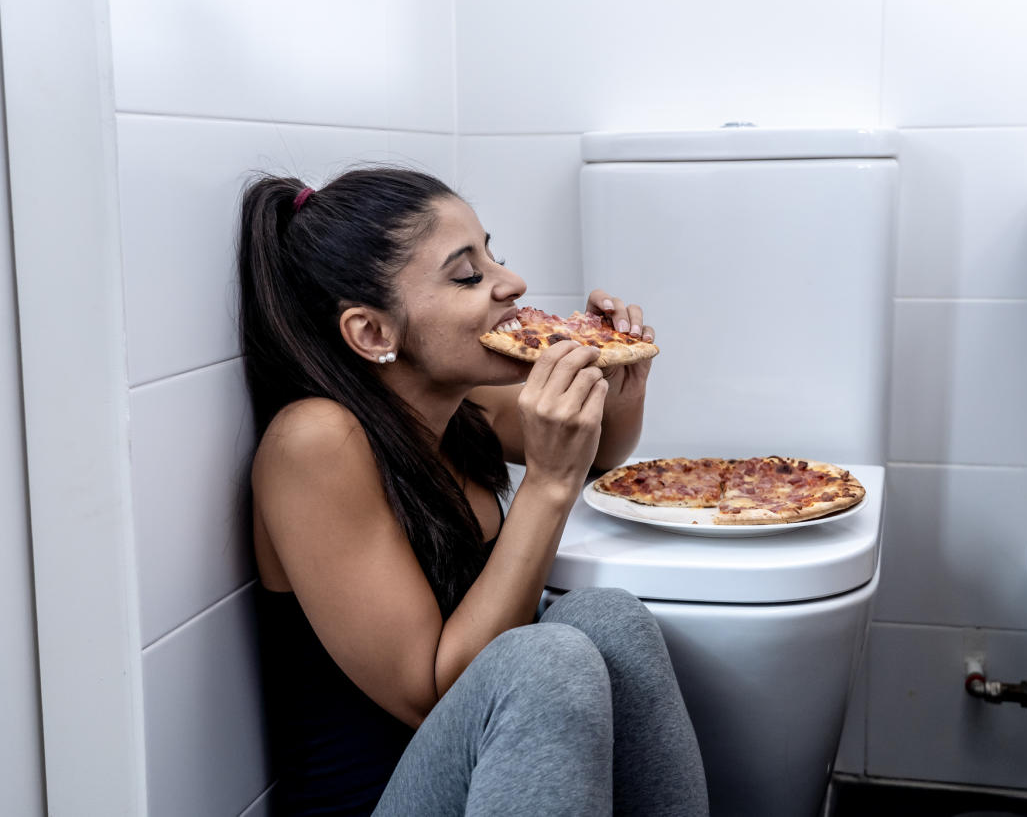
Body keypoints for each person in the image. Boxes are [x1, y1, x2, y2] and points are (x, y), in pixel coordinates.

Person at [237, 167, 709, 816]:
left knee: (609, 618)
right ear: (373, 333)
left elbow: (597, 452)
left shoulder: (460, 404)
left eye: (495, 256)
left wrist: (623, 380)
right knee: (548, 660)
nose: (511, 283)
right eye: (467, 275)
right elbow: (432, 695)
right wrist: (545, 485)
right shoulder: (314, 443)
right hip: (379, 799)